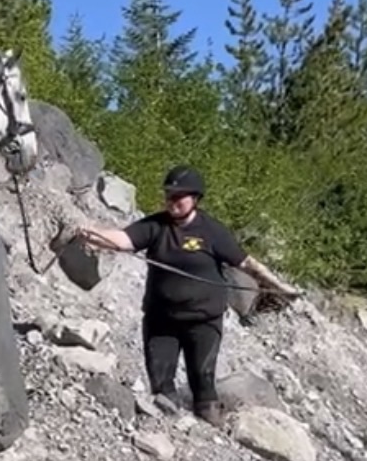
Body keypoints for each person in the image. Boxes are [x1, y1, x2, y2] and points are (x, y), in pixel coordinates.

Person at [72, 165, 299, 427]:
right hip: (161, 319)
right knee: (160, 384)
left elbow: (246, 264)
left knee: (202, 381)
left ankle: (213, 431)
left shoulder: (212, 231)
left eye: (179, 197)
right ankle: (165, 433)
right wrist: (87, 232)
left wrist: (277, 286)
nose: (172, 201)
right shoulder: (156, 226)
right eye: (169, 195)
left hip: (203, 321)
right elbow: (123, 240)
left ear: (195, 199)